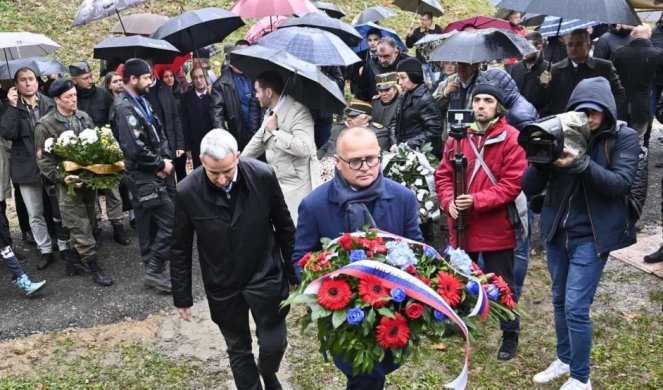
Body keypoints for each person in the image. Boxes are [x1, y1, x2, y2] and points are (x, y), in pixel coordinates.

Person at [522, 77, 639, 389]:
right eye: (581, 110)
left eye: (595, 111)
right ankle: (564, 359)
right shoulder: (561, 131)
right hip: (558, 230)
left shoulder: (622, 138)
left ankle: (581, 378)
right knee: (559, 298)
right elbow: (528, 186)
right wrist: (541, 157)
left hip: (592, 234)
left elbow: (619, 186)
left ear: (607, 112)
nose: (588, 117)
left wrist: (581, 164)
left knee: (576, 305)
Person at [293, 127, 423, 389]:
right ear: (338, 163)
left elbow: (417, 250)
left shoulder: (403, 199)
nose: (365, 167)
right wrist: (330, 292)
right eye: (355, 161)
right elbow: (301, 259)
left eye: (371, 159)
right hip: (343, 315)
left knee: (376, 372)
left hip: (392, 312)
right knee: (363, 375)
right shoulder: (314, 205)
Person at [171, 129, 296, 390]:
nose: (221, 179)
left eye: (227, 170)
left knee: (274, 344)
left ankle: (268, 371)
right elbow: (180, 247)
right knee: (238, 350)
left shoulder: (262, 176)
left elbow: (284, 225)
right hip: (224, 283)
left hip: (265, 274)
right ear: (201, 162)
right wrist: (182, 296)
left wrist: (294, 272)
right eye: (213, 172)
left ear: (237, 157)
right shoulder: (187, 191)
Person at [435, 83, 527, 361]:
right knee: (460, 276)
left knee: (503, 283)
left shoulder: (512, 138)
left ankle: (510, 333)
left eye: (488, 100)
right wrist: (448, 201)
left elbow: (513, 184)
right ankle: (459, 321)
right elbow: (444, 175)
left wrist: (476, 200)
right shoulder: (457, 138)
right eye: (477, 100)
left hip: (496, 225)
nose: (481, 105)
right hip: (462, 224)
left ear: (498, 106)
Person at [35, 78, 113, 286]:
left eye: (75, 95)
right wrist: (63, 176)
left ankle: (73, 258)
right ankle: (93, 264)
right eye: (68, 97)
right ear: (57, 99)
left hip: (88, 182)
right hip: (67, 185)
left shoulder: (83, 117)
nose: (73, 100)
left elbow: (95, 143)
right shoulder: (45, 125)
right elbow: (43, 160)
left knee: (90, 219)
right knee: (78, 224)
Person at [111, 58, 174, 292]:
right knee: (171, 220)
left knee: (149, 224)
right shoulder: (124, 108)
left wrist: (165, 159)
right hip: (143, 176)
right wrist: (158, 164)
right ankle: (155, 268)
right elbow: (134, 147)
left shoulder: (142, 102)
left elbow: (160, 133)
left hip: (154, 172)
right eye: (147, 77)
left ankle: (153, 272)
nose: (151, 81)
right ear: (133, 79)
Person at [0, 67, 62, 269]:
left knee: (58, 209)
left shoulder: (49, 103)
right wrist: (12, 106)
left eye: (31, 79)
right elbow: (7, 132)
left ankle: (64, 247)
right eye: (23, 80)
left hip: (51, 164)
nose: (28, 83)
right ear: (16, 85)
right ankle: (45, 250)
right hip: (25, 166)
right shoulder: (10, 106)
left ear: (37, 82)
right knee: (35, 214)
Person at [242, 71, 320, 224]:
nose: (256, 96)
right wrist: (238, 161)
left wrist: (276, 132)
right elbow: (258, 139)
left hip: (298, 186)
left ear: (268, 92)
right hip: (278, 181)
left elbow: (305, 148)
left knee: (297, 232)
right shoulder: (270, 113)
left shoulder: (299, 112)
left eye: (257, 91)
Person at [538, 29, 625, 117]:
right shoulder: (554, 70)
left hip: (592, 124)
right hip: (563, 122)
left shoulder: (604, 67)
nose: (573, 48)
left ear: (588, 45)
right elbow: (542, 102)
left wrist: (604, 114)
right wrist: (543, 86)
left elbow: (618, 94)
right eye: (570, 44)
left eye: (578, 44)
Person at [611, 24, 663, 146]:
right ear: (649, 35)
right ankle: (640, 164)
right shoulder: (658, 54)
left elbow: (611, 78)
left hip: (621, 105)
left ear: (632, 35)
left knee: (620, 141)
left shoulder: (618, 53)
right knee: (641, 142)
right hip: (643, 104)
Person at [211, 40, 262, 151]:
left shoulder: (256, 76)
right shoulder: (221, 85)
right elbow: (217, 115)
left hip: (260, 129)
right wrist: (225, 138)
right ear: (230, 63)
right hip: (239, 133)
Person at [390, 57, 443, 157]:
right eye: (398, 78)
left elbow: (434, 129)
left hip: (421, 154)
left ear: (413, 76)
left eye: (403, 77)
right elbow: (394, 120)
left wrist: (409, 144)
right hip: (405, 150)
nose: (400, 82)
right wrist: (394, 142)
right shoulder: (404, 95)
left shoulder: (425, 99)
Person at [145, 62, 185, 183]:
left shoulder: (164, 88)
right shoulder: (140, 93)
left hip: (169, 141)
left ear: (153, 69)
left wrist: (180, 144)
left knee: (171, 181)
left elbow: (175, 118)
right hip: (152, 146)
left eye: (149, 67)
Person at [318, 100, 391, 160]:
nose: (348, 120)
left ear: (365, 119)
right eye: (348, 116)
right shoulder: (339, 129)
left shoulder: (378, 133)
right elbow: (324, 148)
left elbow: (375, 159)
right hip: (323, 166)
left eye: (353, 117)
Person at [179, 67, 214, 169]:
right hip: (196, 143)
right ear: (192, 80)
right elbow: (184, 123)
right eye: (195, 78)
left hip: (213, 141)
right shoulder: (185, 98)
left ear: (206, 77)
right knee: (200, 171)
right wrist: (187, 147)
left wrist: (214, 96)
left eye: (201, 76)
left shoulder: (215, 95)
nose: (199, 80)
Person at [357, 37, 409, 102]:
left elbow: (417, 91)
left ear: (396, 53)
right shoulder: (370, 64)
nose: (382, 60)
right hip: (376, 107)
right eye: (379, 56)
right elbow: (362, 90)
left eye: (386, 56)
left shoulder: (408, 64)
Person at [509, 32, 550, 113]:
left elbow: (550, 102)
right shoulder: (516, 67)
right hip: (516, 116)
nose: (523, 51)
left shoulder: (548, 69)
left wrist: (544, 87)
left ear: (539, 48)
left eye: (527, 47)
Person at [405, 12, 443, 86]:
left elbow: (442, 44)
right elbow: (409, 45)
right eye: (421, 20)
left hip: (435, 61)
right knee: (422, 83)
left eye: (424, 20)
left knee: (437, 82)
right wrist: (409, 36)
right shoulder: (417, 31)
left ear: (430, 20)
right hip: (421, 61)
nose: (422, 22)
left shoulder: (438, 30)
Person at [349, 28, 382, 98]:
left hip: (380, 94)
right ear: (366, 41)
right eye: (370, 40)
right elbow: (352, 78)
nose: (372, 43)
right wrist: (360, 75)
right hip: (363, 95)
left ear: (381, 40)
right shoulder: (359, 57)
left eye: (375, 40)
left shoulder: (384, 56)